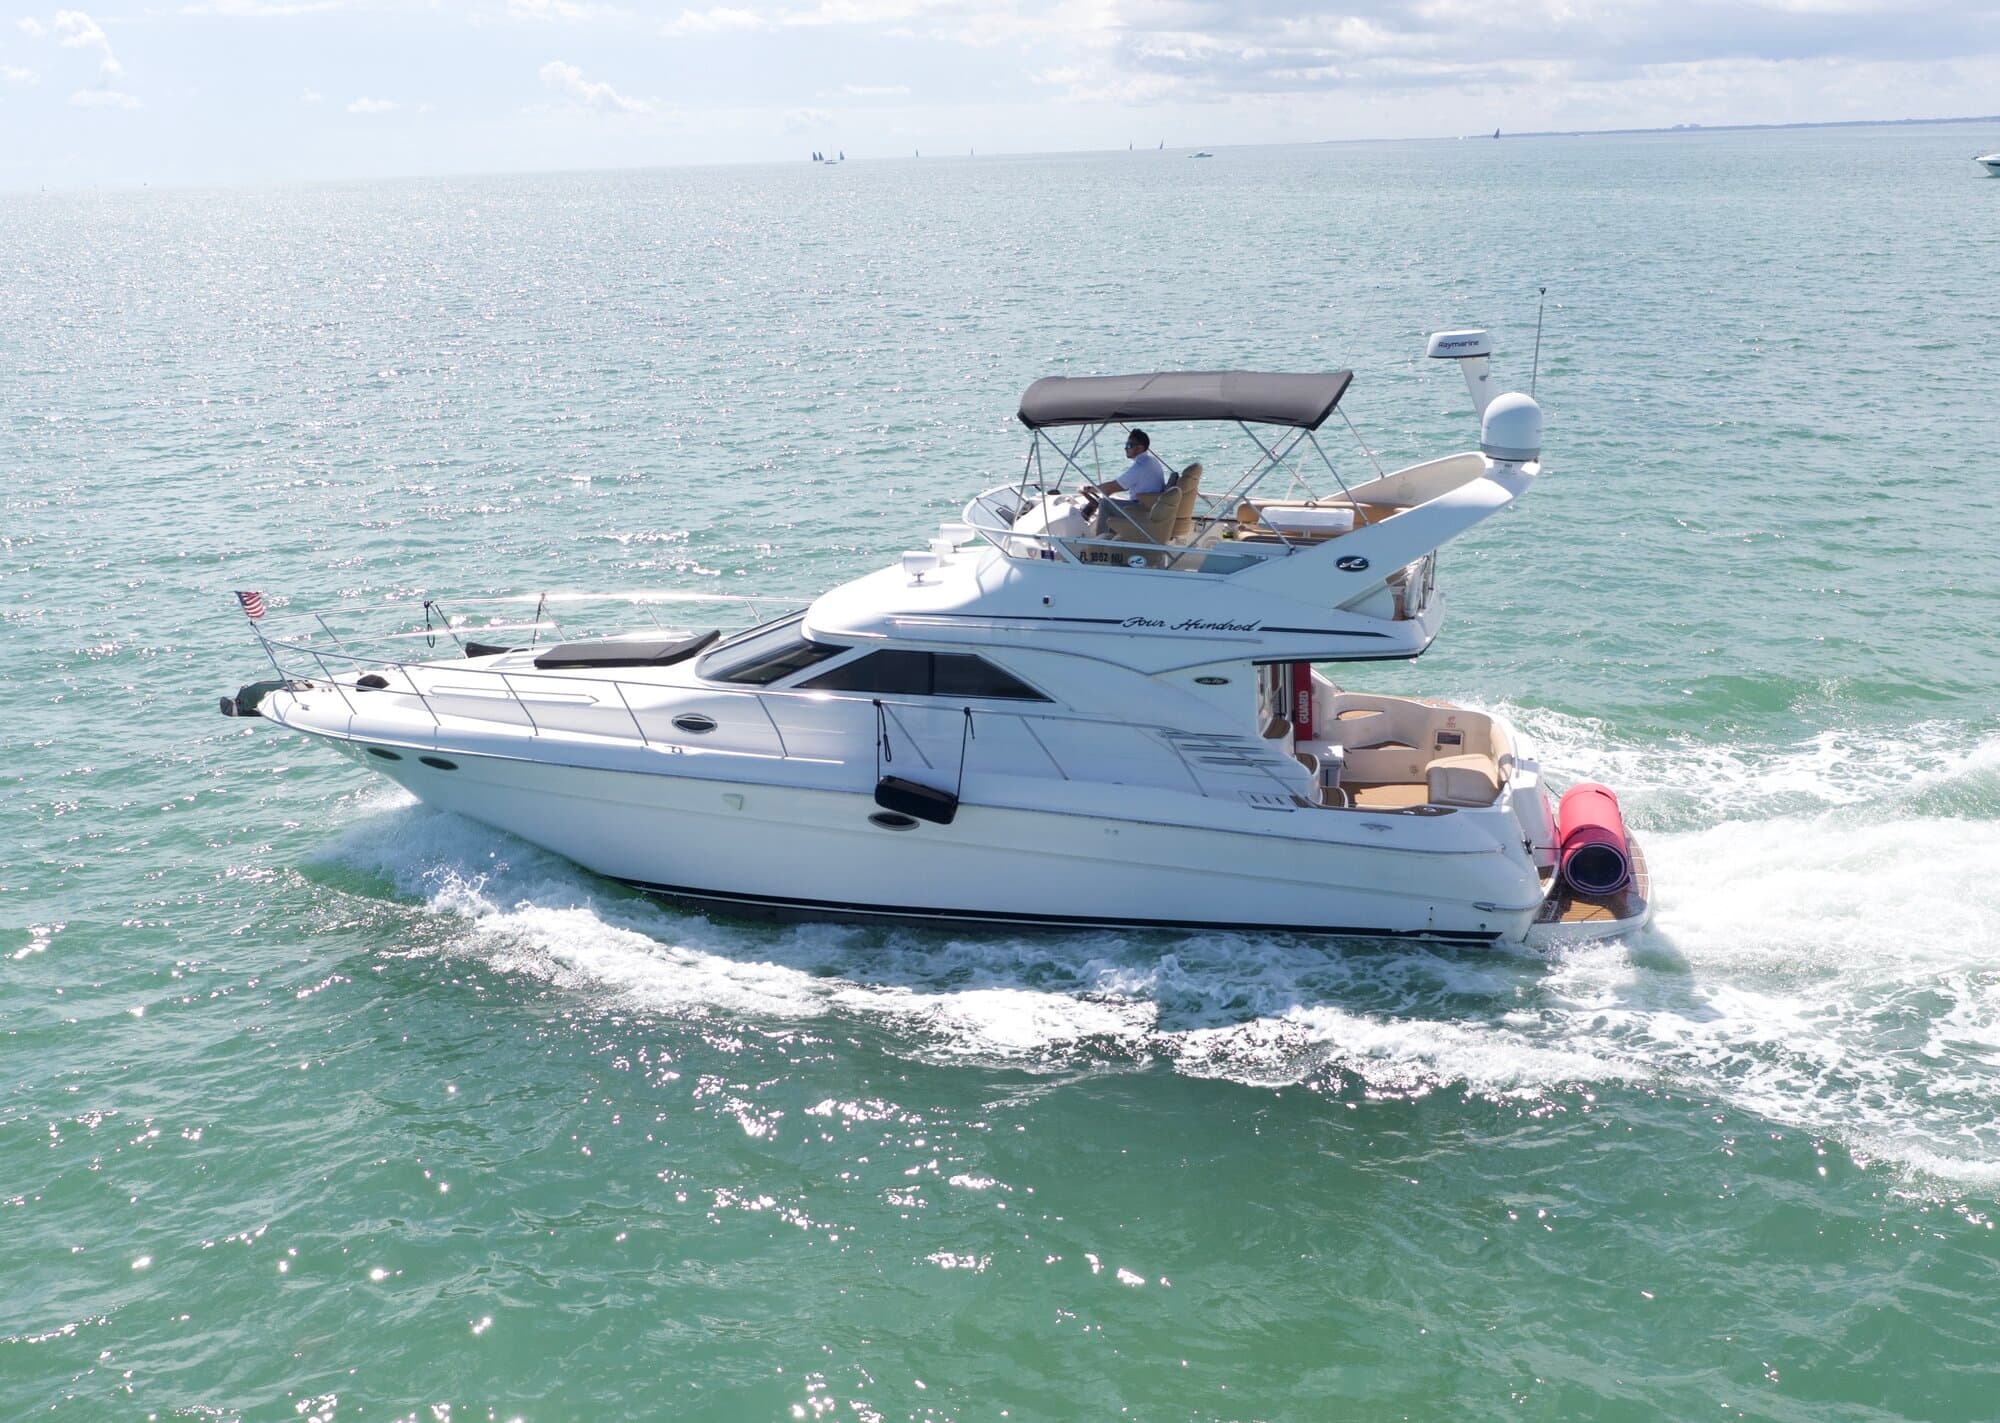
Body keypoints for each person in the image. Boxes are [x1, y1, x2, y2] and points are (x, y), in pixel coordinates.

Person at [1088, 428, 1172, 503]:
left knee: (1104, 504)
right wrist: (1108, 490)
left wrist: (1089, 489)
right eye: (1126, 445)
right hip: (1151, 504)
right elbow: (1118, 487)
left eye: (1129, 445)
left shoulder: (1139, 466)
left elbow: (1112, 486)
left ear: (1140, 448)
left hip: (1141, 507)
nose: (1125, 448)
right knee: (1106, 500)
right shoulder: (1152, 461)